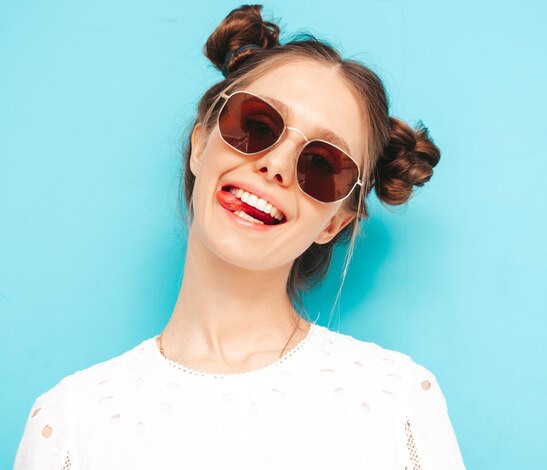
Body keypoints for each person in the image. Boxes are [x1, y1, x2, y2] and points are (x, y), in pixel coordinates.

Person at [13, 4, 465, 469]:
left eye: (322, 164)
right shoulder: (69, 422)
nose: (275, 166)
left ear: (335, 222)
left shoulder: (398, 403)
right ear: (200, 142)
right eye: (256, 125)